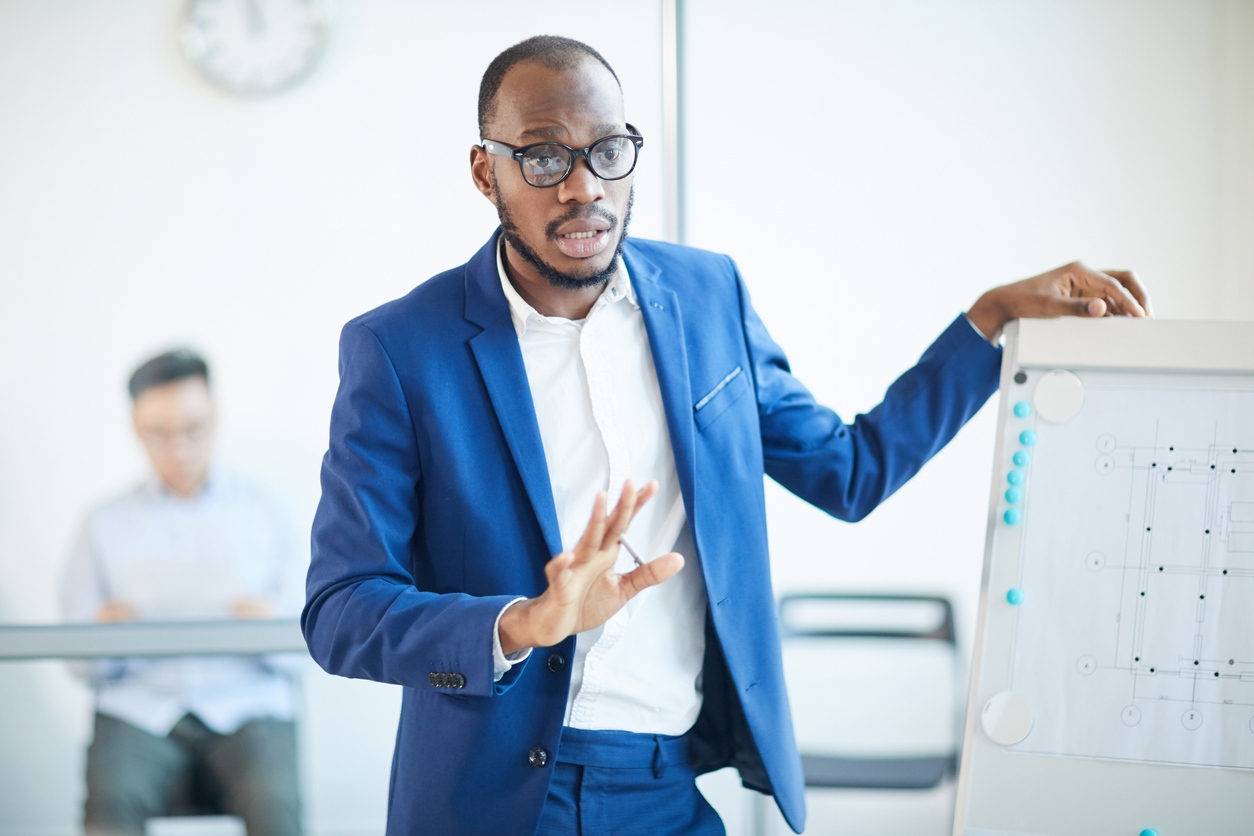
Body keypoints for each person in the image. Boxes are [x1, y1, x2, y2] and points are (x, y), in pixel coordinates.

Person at [302, 36, 1152, 836]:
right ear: (486, 174)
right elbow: (341, 611)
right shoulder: (401, 349)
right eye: (545, 156)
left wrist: (991, 321)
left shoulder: (706, 297)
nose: (583, 188)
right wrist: (523, 621)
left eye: (607, 151)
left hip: (671, 786)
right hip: (499, 798)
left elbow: (849, 473)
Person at [62, 349, 303, 836]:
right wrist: (102, 637)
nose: (179, 449)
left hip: (246, 702)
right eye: (159, 435)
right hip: (140, 706)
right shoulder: (101, 522)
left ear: (215, 415)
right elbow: (77, 659)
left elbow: (315, 639)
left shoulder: (267, 510)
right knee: (111, 805)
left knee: (275, 803)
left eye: (194, 429)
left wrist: (272, 624)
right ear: (134, 427)